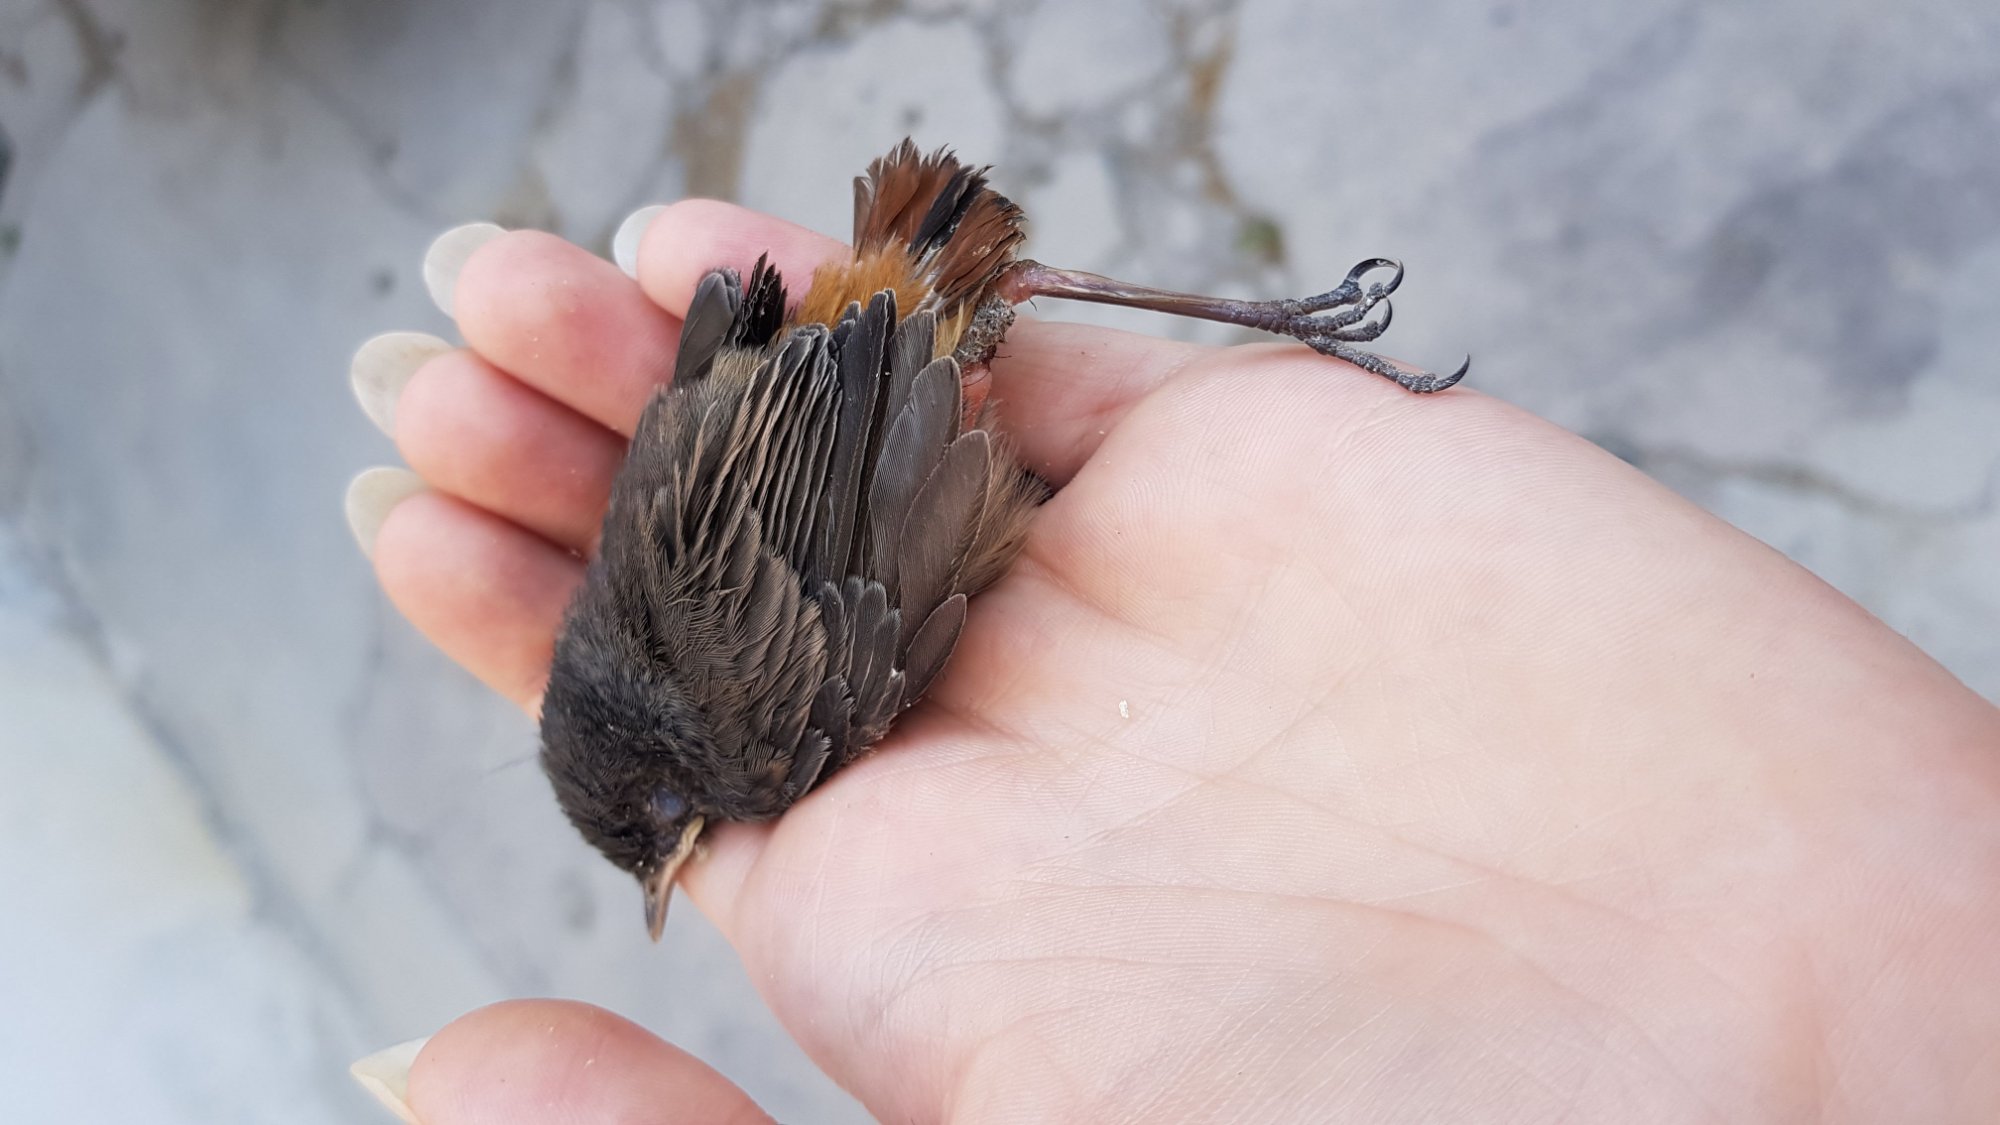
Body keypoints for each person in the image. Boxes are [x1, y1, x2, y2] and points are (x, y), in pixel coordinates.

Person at [343, 200, 2000, 1123]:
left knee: (977, 302)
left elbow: (842, 475)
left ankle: (1194, 316)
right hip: (845, 368)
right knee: (981, 294)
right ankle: (1228, 317)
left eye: (660, 835)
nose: (681, 855)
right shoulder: (655, 633)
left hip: (869, 404)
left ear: (666, 776)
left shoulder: (738, 735)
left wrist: (894, 350)